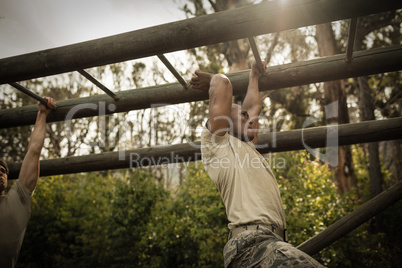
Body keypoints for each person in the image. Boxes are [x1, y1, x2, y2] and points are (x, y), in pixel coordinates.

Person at [190, 62, 325, 267]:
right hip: (252, 245)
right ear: (226, 120)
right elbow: (223, 83)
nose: (251, 119)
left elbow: (254, 106)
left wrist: (253, 76)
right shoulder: (218, 145)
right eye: (243, 116)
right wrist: (212, 79)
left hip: (271, 244)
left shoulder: (248, 148)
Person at [0, 97, 56, 268]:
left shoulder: (17, 199)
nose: (1, 173)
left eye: (3, 171)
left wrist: (42, 113)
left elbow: (34, 151)